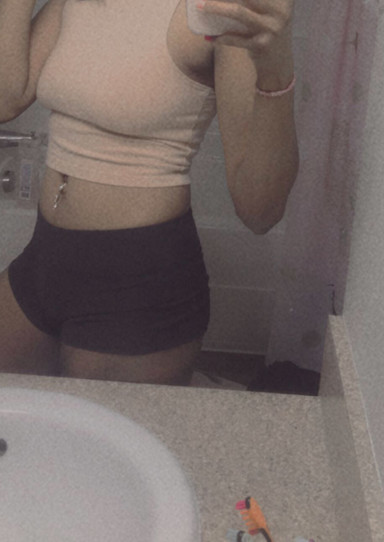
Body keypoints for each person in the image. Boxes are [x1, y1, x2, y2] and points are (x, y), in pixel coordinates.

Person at [0, 0, 299, 386]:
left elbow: (260, 211)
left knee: (102, 426)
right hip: (44, 256)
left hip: (136, 285)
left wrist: (275, 69)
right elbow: (7, 99)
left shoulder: (217, 8)